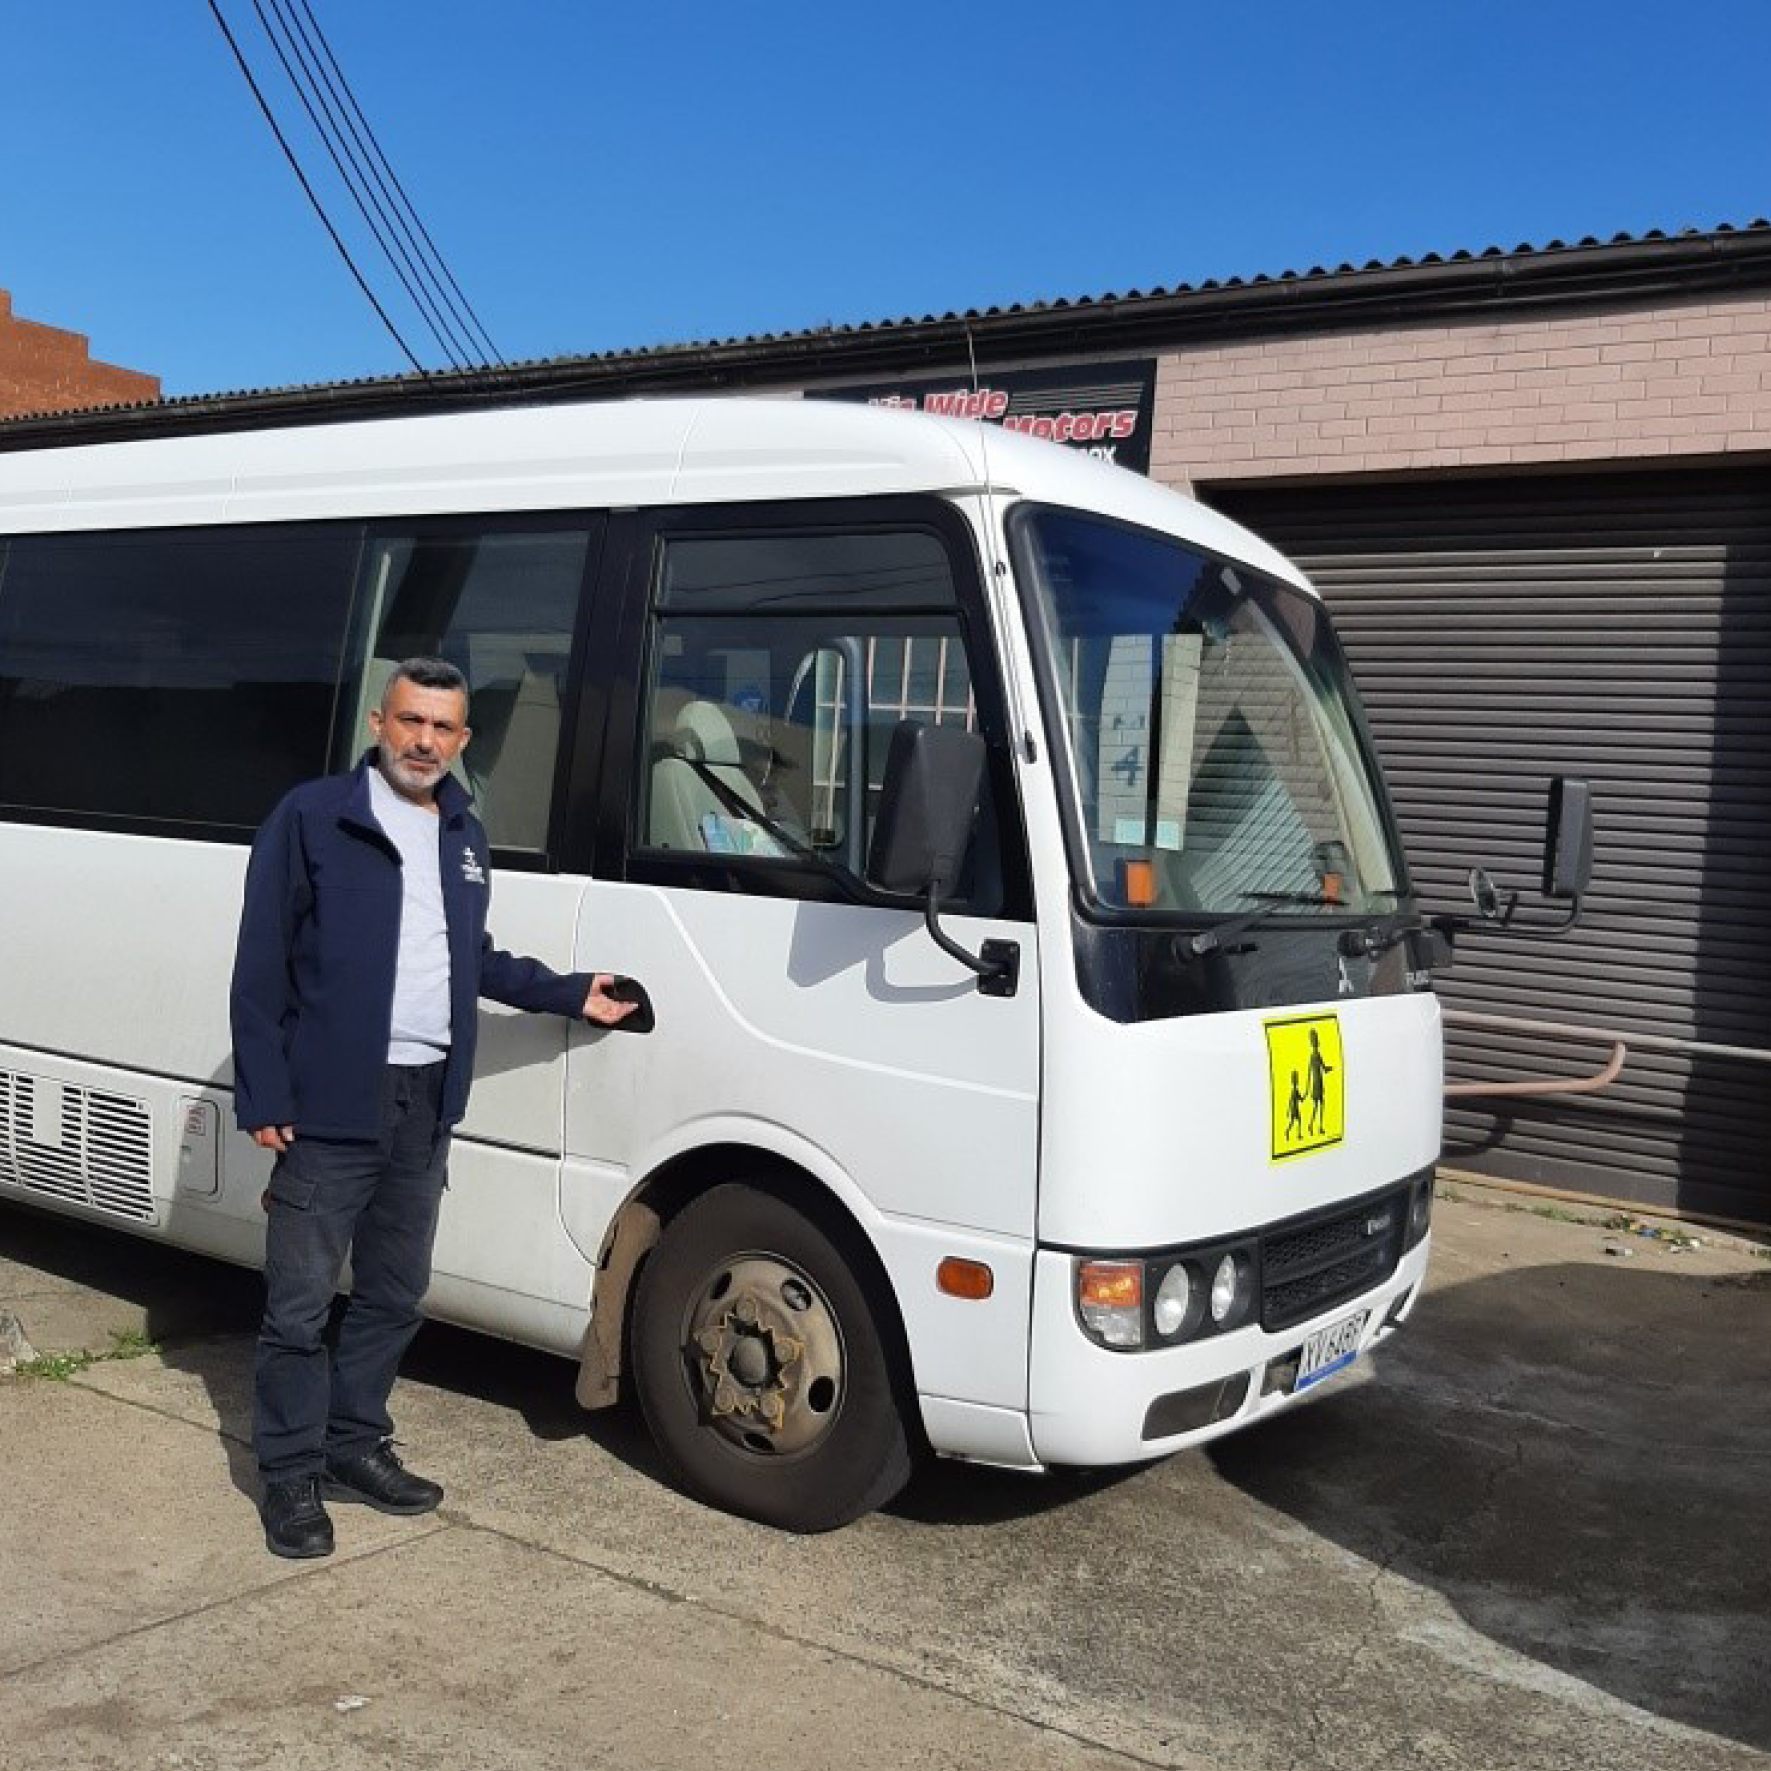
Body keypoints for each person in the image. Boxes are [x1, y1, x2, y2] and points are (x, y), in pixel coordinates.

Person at [230, 657, 634, 1559]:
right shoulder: (314, 817)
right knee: (297, 1304)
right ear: (380, 721)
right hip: (334, 1097)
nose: (424, 741)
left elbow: (470, 957)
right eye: (410, 721)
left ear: (462, 739)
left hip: (424, 1099)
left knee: (393, 1293)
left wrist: (570, 991)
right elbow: (260, 965)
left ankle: (352, 1443)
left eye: (443, 727)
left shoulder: (461, 831)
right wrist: (264, 1090)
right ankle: (289, 1473)